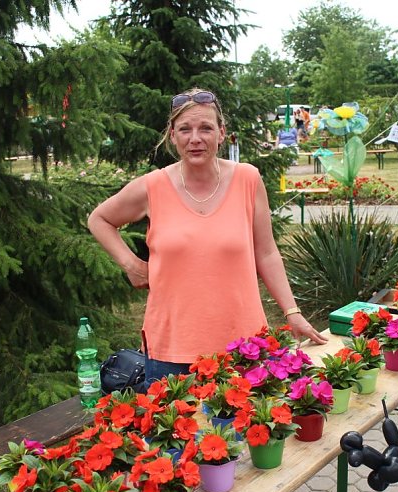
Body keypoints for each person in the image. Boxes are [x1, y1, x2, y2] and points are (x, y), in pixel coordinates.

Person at [88, 87, 327, 389]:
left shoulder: (247, 179)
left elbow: (266, 253)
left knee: (244, 435)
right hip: (171, 351)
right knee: (178, 434)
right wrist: (131, 264)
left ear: (221, 133)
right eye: (185, 129)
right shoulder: (152, 187)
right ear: (173, 136)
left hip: (243, 347)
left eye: (206, 128)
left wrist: (293, 313)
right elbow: (99, 219)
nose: (195, 138)